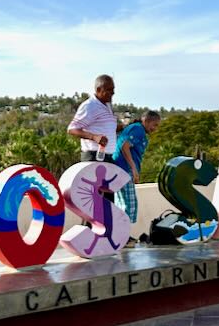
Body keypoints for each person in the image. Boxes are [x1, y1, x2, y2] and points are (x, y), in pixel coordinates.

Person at [113, 110, 161, 244]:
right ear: (146, 121)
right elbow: (124, 146)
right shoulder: (138, 129)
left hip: (122, 170)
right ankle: (122, 237)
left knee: (122, 204)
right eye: (154, 125)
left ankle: (121, 236)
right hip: (124, 170)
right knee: (129, 205)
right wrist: (133, 168)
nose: (155, 129)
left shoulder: (136, 129)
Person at [67, 75, 117, 162]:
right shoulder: (90, 105)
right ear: (98, 90)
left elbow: (108, 128)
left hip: (108, 157)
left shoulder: (107, 105)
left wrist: (126, 126)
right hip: (93, 156)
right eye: (109, 89)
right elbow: (72, 129)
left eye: (113, 89)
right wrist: (94, 137)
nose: (113, 92)